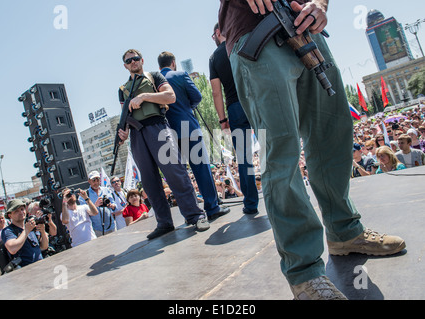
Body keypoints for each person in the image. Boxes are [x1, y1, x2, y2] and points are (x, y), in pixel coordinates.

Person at [219, 0, 406, 299]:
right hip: (253, 31)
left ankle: (345, 231)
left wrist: (319, 3)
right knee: (281, 152)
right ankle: (305, 273)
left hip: (305, 27)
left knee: (333, 133)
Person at [117, 49, 209, 239]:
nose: (133, 62)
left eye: (135, 58)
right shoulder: (122, 89)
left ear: (142, 60)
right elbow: (124, 115)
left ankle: (195, 215)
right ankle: (164, 222)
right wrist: (123, 132)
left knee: (175, 173)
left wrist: (144, 97)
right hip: (137, 135)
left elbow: (170, 97)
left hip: (158, 127)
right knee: (149, 182)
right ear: (125, 65)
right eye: (129, 61)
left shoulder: (154, 76)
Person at [157, 51, 230, 220]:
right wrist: (187, 107)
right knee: (201, 169)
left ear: (159, 66)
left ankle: (191, 214)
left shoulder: (155, 81)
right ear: (173, 63)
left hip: (167, 132)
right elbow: (197, 96)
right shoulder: (181, 74)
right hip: (187, 126)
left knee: (179, 174)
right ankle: (212, 208)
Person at [209, 23, 259, 215]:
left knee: (244, 159)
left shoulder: (214, 57)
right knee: (273, 146)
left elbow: (216, 92)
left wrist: (223, 120)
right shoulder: (240, 44)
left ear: (217, 33)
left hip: (235, 107)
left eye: (212, 36)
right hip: (256, 99)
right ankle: (285, 195)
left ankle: (251, 203)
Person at [1, 199, 48, 267]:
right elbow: (12, 249)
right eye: (16, 211)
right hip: (25, 273)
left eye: (22, 209)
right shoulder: (8, 231)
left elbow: (44, 247)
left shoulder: (29, 225)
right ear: (10, 216)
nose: (21, 212)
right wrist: (26, 231)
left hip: (41, 266)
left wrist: (43, 232)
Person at [78, 171, 117, 237]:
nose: (96, 182)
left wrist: (111, 205)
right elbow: (84, 214)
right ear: (89, 181)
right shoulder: (84, 195)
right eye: (93, 180)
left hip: (111, 225)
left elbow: (114, 204)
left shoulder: (106, 190)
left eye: (97, 179)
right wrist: (95, 205)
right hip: (97, 229)